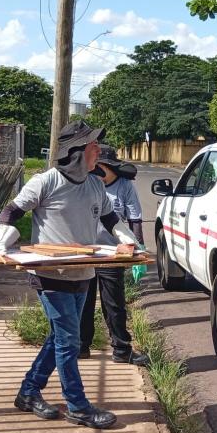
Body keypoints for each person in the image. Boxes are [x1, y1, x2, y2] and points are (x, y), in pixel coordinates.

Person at [0, 121, 141, 430]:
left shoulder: (95, 184)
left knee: (61, 337)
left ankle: (29, 392)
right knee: (70, 340)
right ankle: (78, 406)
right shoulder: (45, 182)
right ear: (78, 152)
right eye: (94, 146)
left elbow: (111, 219)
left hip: (83, 272)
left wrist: (129, 242)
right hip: (50, 274)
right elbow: (11, 212)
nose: (99, 151)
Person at [79, 145, 149, 366]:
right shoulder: (86, 184)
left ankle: (121, 349)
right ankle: (81, 347)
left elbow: (135, 218)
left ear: (108, 167)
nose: (96, 172)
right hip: (87, 252)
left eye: (99, 168)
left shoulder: (125, 186)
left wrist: (138, 248)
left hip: (112, 254)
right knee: (83, 303)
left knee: (114, 304)